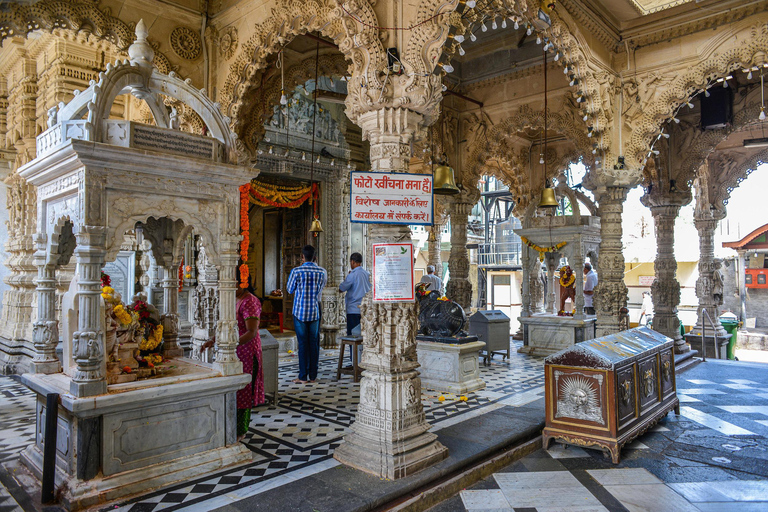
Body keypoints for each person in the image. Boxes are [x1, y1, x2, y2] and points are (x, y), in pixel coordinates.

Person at [201, 276, 262, 441]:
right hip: (232, 350)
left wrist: (230, 344)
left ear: (242, 282)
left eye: (232, 282)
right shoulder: (232, 299)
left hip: (246, 352)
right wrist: (213, 340)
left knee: (243, 392)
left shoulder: (250, 301)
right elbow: (226, 325)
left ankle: (240, 432)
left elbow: (251, 332)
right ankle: (228, 428)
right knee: (231, 390)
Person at [286, 245, 327, 384]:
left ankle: (303, 376)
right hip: (314, 311)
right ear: (314, 257)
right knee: (314, 344)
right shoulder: (321, 272)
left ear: (302, 257)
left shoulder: (296, 271)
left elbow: (290, 289)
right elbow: (321, 288)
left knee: (302, 344)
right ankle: (313, 376)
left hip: (299, 312)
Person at [339, 252, 371, 360]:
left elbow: (342, 288)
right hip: (365, 310)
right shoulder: (367, 274)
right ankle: (364, 360)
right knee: (364, 336)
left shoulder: (352, 275)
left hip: (353, 310)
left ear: (352, 262)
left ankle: (355, 362)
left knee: (353, 337)